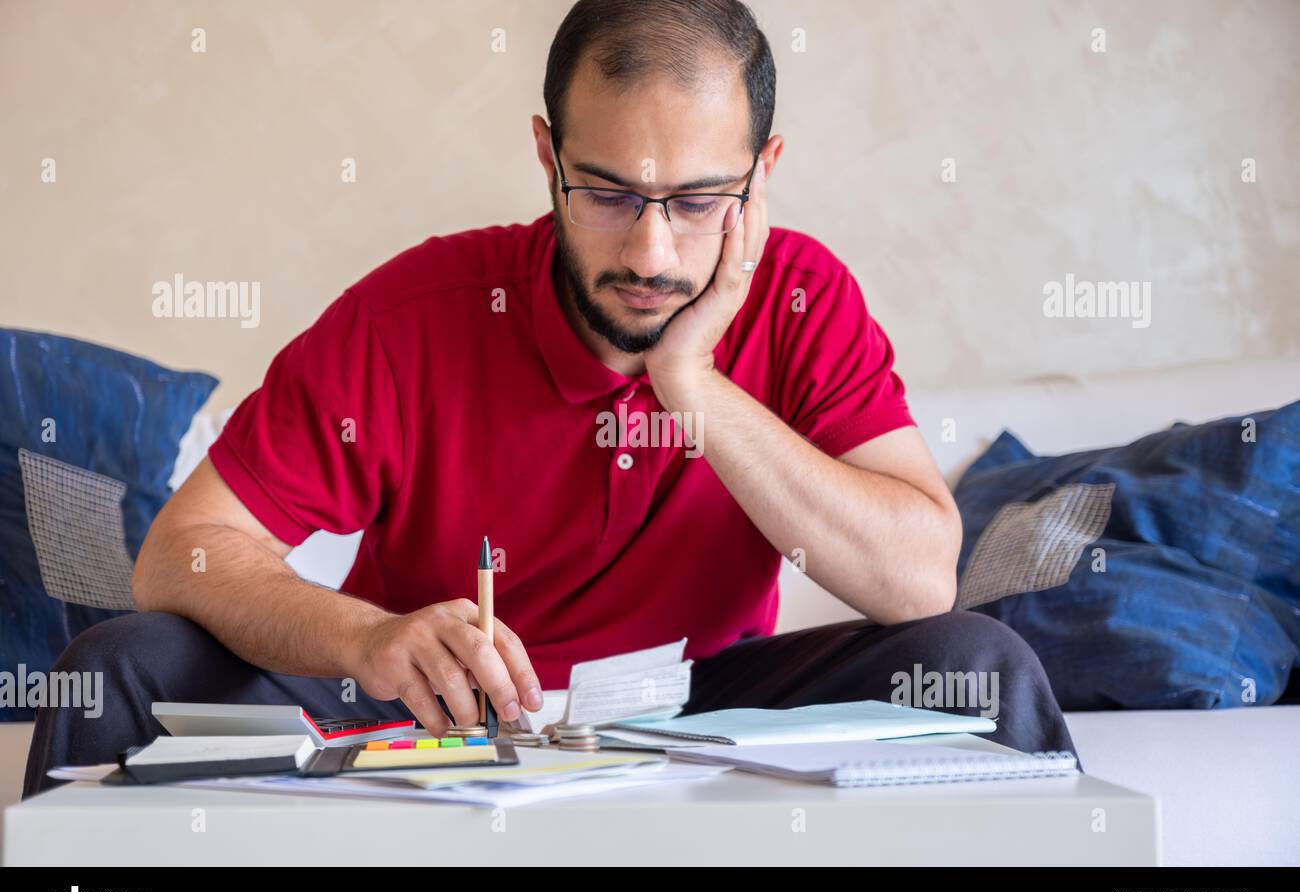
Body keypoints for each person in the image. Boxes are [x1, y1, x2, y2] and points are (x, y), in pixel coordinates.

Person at [25, 0, 1077, 797]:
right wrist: (364, 638)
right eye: (609, 193)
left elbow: (917, 579)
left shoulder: (802, 298)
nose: (652, 251)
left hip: (699, 713)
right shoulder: (416, 313)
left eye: (699, 201)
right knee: (123, 663)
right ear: (547, 158)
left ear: (761, 177)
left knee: (974, 666)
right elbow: (182, 550)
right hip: (421, 715)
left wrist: (692, 382)